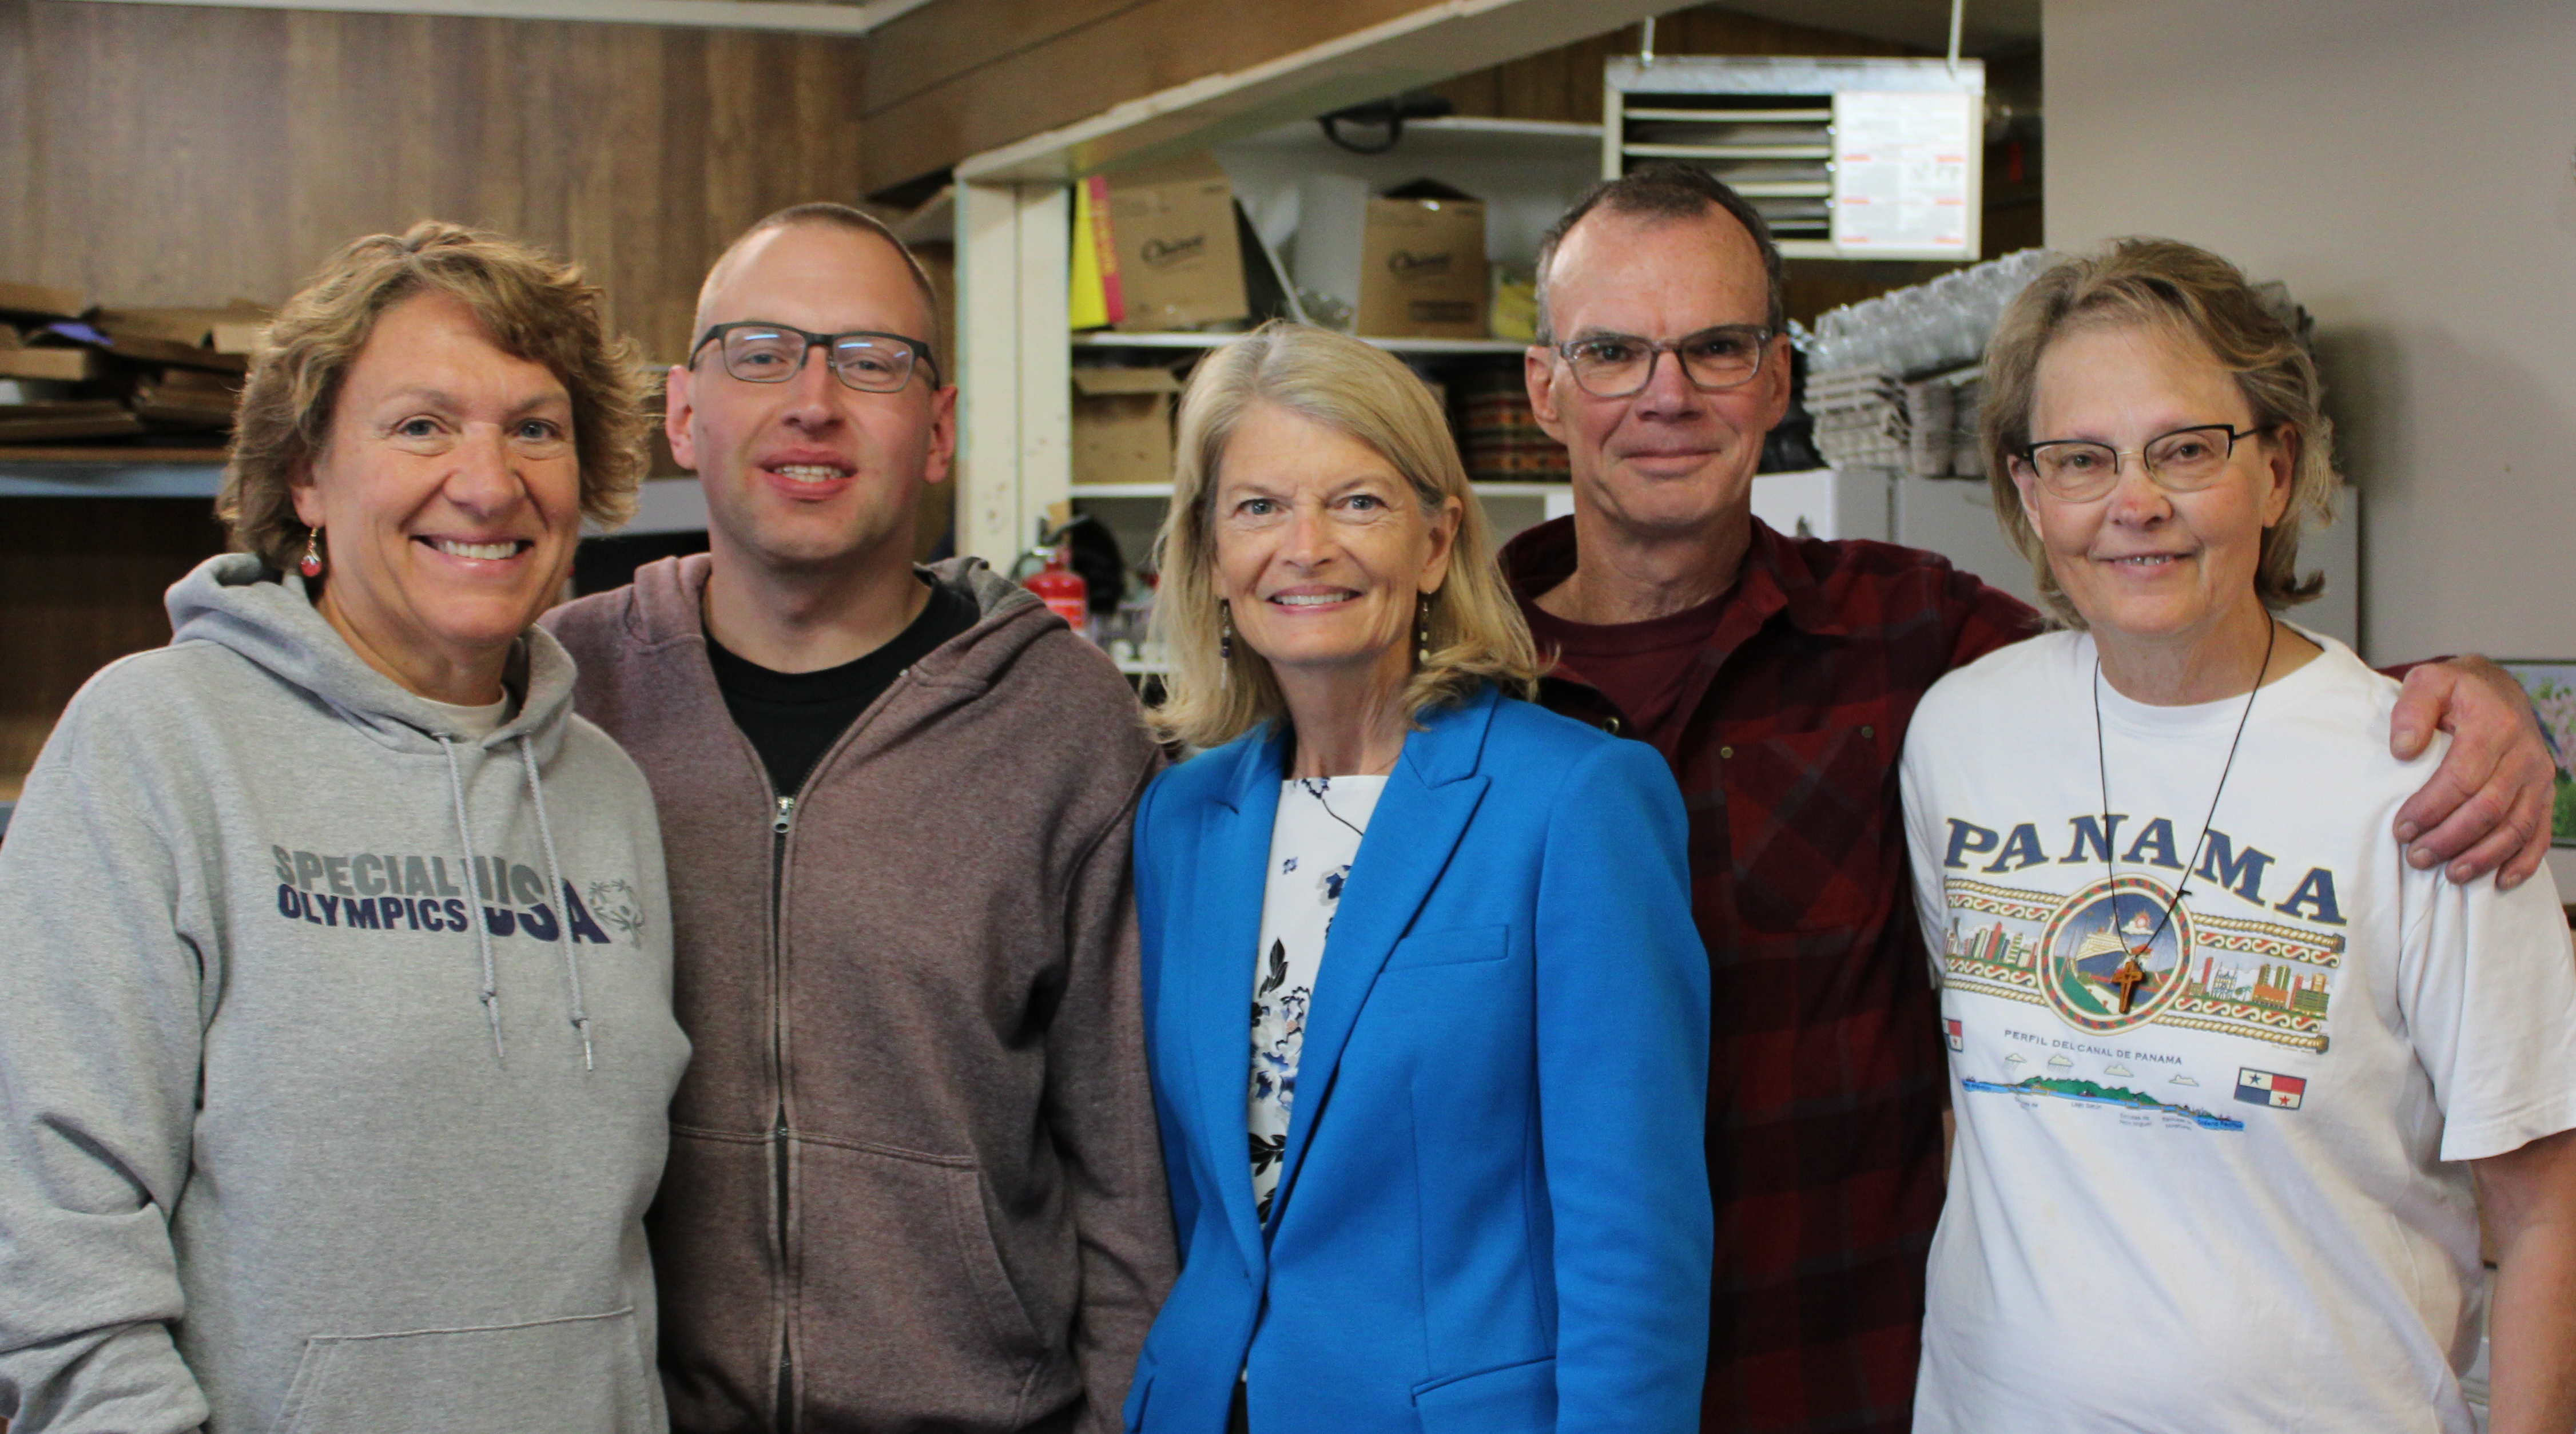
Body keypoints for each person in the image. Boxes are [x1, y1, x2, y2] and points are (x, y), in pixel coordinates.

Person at [1510, 165, 2562, 1433]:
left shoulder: (1909, 648)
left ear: (1778, 378)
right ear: (1542, 387)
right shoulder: (1453, 689)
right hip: (1538, 1373)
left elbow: (2177, 653)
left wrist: (2464, 702)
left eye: (1716, 346)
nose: (1665, 393)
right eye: (1612, 351)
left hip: (1835, 1374)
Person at [1899, 236, 2576, 1432]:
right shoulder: (1960, 733)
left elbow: (2545, 1212)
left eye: (2184, 448)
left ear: (2276, 471)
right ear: (2026, 491)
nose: (2135, 501)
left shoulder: (2429, 777)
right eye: (2080, 458)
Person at [0, 222, 689, 1432]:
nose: (487, 480)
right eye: (421, 424)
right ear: (306, 476)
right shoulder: (159, 740)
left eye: (535, 426)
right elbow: (48, 1223)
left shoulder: (605, 790)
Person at [542, 204, 1174, 1434]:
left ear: (937, 431)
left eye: (871, 360)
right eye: (761, 352)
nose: (813, 401)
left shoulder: (1063, 724)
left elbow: (1130, 1184)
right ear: (682, 409)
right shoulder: (561, 695)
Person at [1126, 322, 1712, 1434]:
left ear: (1437, 540)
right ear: (1207, 555)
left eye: (1355, 501)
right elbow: (1202, 1201)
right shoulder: (1183, 819)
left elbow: (1631, 1236)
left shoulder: (1573, 800)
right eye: (1256, 506)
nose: (1304, 546)